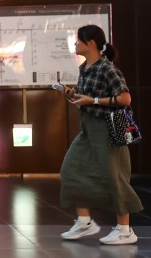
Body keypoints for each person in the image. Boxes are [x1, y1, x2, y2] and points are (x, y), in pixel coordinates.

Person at [58, 24, 143, 245]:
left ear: (91, 43)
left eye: (78, 40)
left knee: (114, 177)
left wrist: (92, 100)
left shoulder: (108, 68)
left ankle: (125, 230)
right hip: (88, 126)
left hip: (109, 126)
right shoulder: (85, 67)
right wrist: (74, 95)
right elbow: (86, 97)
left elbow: (125, 99)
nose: (75, 44)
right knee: (71, 169)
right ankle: (85, 222)